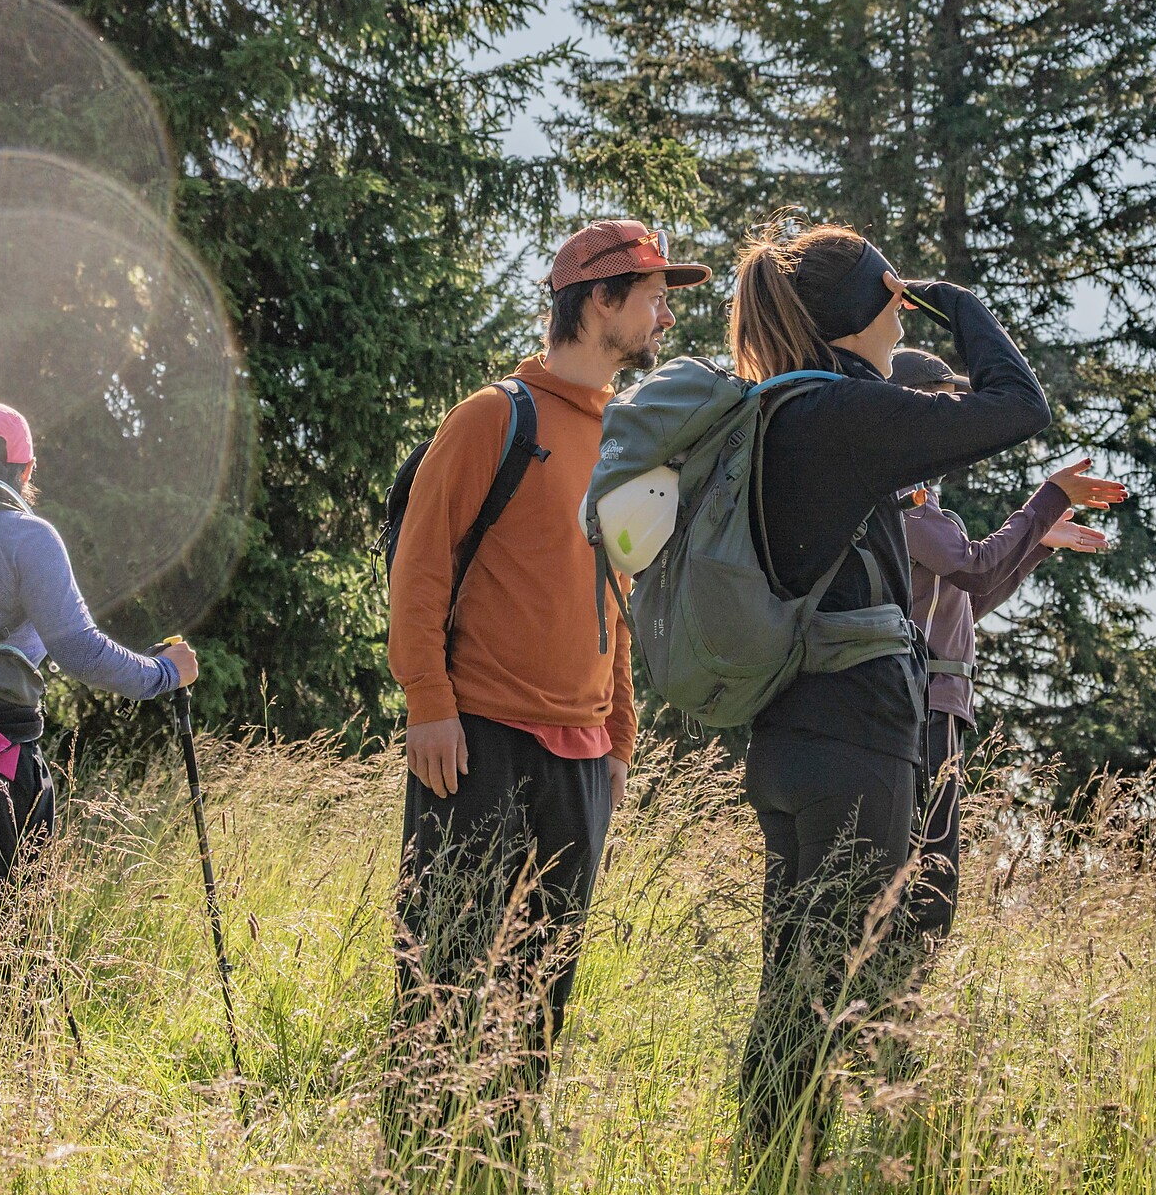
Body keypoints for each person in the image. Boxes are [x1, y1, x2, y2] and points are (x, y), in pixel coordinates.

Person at [728, 222, 1051, 1156]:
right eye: (894, 294)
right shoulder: (847, 413)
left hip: (784, 732)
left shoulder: (781, 407)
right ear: (875, 305)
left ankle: (768, 1164)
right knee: (837, 985)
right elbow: (1016, 406)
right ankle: (798, 1161)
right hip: (854, 736)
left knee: (790, 979)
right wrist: (962, 306)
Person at [385, 220, 710, 1133]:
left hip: (581, 757)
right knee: (442, 971)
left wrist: (618, 738)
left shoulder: (625, 441)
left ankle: (505, 1156)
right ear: (600, 299)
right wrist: (429, 704)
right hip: (477, 737)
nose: (665, 313)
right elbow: (420, 566)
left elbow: (614, 597)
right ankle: (414, 1154)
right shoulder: (496, 416)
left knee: (542, 993)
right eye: (652, 293)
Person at [887, 349, 1125, 942]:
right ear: (917, 409)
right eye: (946, 400)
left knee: (928, 866)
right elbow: (973, 570)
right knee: (931, 874)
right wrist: (1046, 502)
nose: (958, 418)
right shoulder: (905, 497)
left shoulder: (918, 499)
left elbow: (968, 596)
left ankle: (896, 998)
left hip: (934, 701)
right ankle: (901, 1003)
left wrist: (1040, 540)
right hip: (925, 703)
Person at [0, 402, 199, 883]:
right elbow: (80, 649)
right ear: (27, 468)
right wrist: (164, 672)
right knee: (11, 933)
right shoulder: (29, 538)